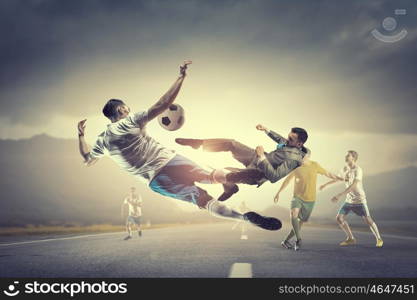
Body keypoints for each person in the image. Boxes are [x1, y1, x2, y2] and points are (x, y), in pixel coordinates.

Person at [77, 60, 281, 231]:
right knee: (208, 176)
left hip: (154, 180)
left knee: (203, 201)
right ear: (122, 108)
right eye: (125, 108)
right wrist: (181, 77)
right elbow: (163, 104)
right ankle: (228, 177)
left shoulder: (102, 140)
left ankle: (244, 218)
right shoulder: (131, 120)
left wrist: (80, 136)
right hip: (170, 160)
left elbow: (87, 160)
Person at [175, 124, 309, 201]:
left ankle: (230, 188)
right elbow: (280, 139)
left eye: (290, 139)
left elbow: (274, 177)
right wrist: (266, 130)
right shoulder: (289, 143)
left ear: (299, 144)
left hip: (258, 173)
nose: (286, 140)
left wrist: (262, 157)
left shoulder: (294, 160)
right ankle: (199, 144)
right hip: (254, 158)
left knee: (225, 171)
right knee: (231, 143)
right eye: (288, 136)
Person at [274, 153, 342, 251]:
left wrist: (339, 178)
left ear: (308, 156)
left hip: (310, 199)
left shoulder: (315, 165)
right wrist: (278, 192)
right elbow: (287, 180)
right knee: (294, 214)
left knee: (299, 224)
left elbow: (328, 174)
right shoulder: (295, 167)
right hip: (297, 197)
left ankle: (285, 241)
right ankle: (298, 239)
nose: (300, 158)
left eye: (303, 157)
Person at [320, 150, 383, 247]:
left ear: (353, 158)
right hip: (349, 201)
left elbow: (354, 185)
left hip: (359, 200)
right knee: (339, 218)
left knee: (367, 219)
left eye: (348, 155)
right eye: (346, 155)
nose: (346, 156)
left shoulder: (358, 170)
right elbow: (338, 178)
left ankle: (379, 239)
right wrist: (325, 185)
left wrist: (340, 195)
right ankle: (351, 238)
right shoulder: (344, 169)